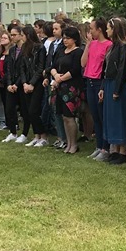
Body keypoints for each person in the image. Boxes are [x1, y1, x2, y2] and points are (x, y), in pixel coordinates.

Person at [99, 18, 126, 165]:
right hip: (108, 82)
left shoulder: (123, 47)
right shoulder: (112, 47)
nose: (106, 31)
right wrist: (102, 87)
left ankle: (122, 151)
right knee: (111, 118)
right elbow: (105, 69)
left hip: (117, 85)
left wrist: (117, 90)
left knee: (119, 118)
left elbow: (122, 69)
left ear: (115, 29)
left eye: (108, 28)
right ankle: (115, 150)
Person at [51, 26, 85, 154]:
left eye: (68, 38)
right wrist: (55, 75)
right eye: (64, 38)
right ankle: (68, 143)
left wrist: (60, 79)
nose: (65, 40)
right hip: (59, 86)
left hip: (71, 87)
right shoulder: (60, 51)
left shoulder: (78, 52)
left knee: (69, 116)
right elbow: (53, 66)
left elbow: (75, 70)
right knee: (63, 117)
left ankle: (74, 144)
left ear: (75, 39)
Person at [82, 18, 112, 158]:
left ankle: (106, 147)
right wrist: (88, 45)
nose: (90, 32)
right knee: (95, 115)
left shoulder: (108, 45)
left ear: (99, 29)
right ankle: (99, 146)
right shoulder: (92, 44)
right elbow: (83, 63)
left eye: (92, 29)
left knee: (102, 115)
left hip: (99, 81)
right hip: (89, 81)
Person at [19, 24, 48, 148]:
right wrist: (24, 83)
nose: (21, 37)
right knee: (29, 111)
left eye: (22, 35)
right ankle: (37, 136)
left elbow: (40, 67)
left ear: (28, 35)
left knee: (34, 110)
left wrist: (32, 83)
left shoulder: (40, 47)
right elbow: (22, 67)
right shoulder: (24, 47)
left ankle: (43, 136)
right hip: (26, 83)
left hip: (37, 83)